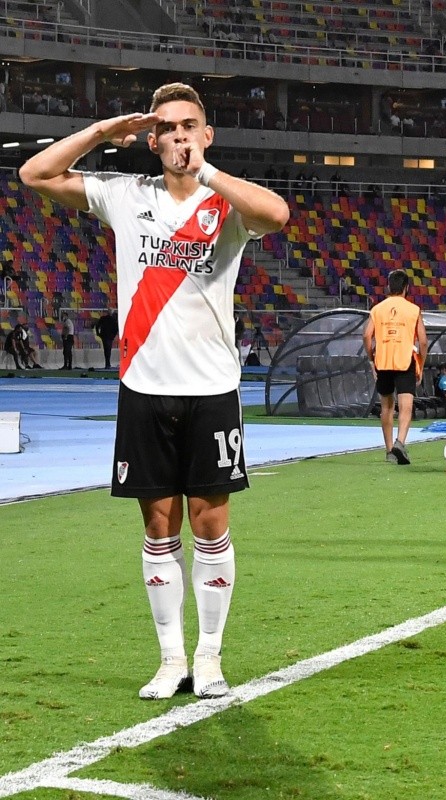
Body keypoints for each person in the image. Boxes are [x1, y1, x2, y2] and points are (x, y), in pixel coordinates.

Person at [19, 82, 290, 698]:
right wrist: (99, 132)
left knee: (211, 523)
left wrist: (208, 173)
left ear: (206, 135)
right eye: (167, 128)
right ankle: (172, 661)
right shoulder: (123, 195)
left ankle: (211, 657)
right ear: (151, 139)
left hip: (213, 387)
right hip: (144, 386)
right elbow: (35, 174)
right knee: (158, 525)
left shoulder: (226, 205)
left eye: (189, 126)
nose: (179, 136)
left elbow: (278, 214)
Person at [363, 269, 428, 466]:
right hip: (405, 360)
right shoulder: (413, 310)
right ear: (406, 288)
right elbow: (423, 341)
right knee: (406, 405)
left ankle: (389, 449)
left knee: (386, 407)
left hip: (383, 361)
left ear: (388, 287)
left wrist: (371, 358)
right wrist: (421, 365)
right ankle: (401, 442)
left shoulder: (377, 309)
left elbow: (366, 336)